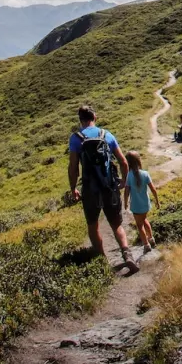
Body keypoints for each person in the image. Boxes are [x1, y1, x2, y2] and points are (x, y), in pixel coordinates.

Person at [67, 105, 138, 271]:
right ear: (95, 117)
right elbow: (124, 162)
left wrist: (72, 188)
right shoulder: (106, 135)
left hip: (90, 189)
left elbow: (73, 167)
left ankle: (103, 262)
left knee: (93, 226)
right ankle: (127, 255)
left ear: (80, 120)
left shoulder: (76, 138)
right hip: (109, 186)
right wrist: (123, 181)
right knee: (116, 225)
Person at [123, 151, 160, 253]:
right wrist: (157, 201)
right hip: (145, 205)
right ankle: (151, 239)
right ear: (139, 161)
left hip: (136, 206)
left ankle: (146, 245)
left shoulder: (129, 176)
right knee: (144, 220)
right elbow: (153, 189)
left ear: (128, 163)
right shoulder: (145, 174)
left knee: (139, 225)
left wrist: (125, 203)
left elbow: (126, 192)